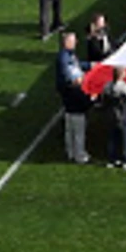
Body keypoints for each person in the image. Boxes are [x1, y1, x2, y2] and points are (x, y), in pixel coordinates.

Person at [51, 33, 93, 162]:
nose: (76, 42)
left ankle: (70, 152)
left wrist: (90, 65)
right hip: (72, 94)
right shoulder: (64, 57)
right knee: (78, 127)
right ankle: (79, 155)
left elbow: (77, 65)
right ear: (67, 42)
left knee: (70, 126)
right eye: (73, 40)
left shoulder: (67, 55)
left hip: (69, 95)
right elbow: (70, 75)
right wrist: (82, 79)